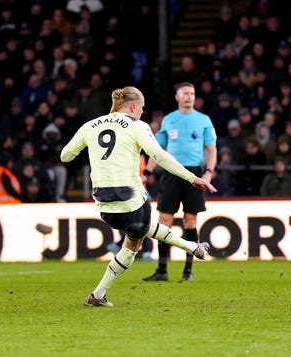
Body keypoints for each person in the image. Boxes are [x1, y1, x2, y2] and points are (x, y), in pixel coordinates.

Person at [60, 86, 216, 307]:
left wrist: (92, 150)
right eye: (141, 108)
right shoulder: (137, 126)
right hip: (131, 197)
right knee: (136, 239)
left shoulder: (90, 125)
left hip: (104, 204)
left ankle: (98, 296)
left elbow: (65, 156)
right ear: (133, 106)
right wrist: (192, 178)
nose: (142, 112)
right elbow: (159, 155)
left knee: (140, 230)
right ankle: (191, 247)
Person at [143, 82, 217, 282]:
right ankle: (162, 271)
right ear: (177, 97)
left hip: (193, 174)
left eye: (192, 93)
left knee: (190, 222)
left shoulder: (203, 120)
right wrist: (147, 171)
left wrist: (209, 171)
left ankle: (188, 271)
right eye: (185, 93)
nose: (189, 96)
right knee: (164, 221)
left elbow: (212, 149)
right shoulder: (169, 120)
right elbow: (158, 150)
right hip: (171, 173)